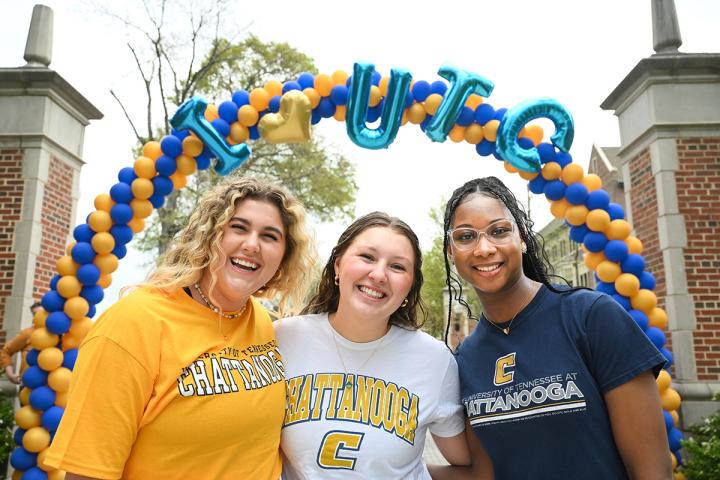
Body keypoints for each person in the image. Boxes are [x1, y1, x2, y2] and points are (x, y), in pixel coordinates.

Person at [45, 177, 315, 479]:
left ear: (283, 257)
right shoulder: (134, 323)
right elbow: (87, 472)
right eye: (238, 227)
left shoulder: (263, 322)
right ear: (208, 235)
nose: (252, 245)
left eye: (270, 236)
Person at [440, 176, 672, 479]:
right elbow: (486, 475)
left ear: (522, 238)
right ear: (450, 251)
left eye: (499, 231)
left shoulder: (591, 317)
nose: (483, 248)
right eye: (466, 236)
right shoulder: (466, 359)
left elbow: (652, 472)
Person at [275, 212, 492, 479]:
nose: (378, 274)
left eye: (397, 267)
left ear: (409, 287)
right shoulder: (283, 339)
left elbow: (469, 465)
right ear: (338, 265)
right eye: (367, 257)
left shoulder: (433, 360)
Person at [1, 301, 42, 384]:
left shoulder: (59, 334)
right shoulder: (27, 333)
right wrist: (10, 374)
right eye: (35, 314)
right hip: (28, 384)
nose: (38, 317)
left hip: (53, 386)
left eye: (41, 313)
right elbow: (6, 352)